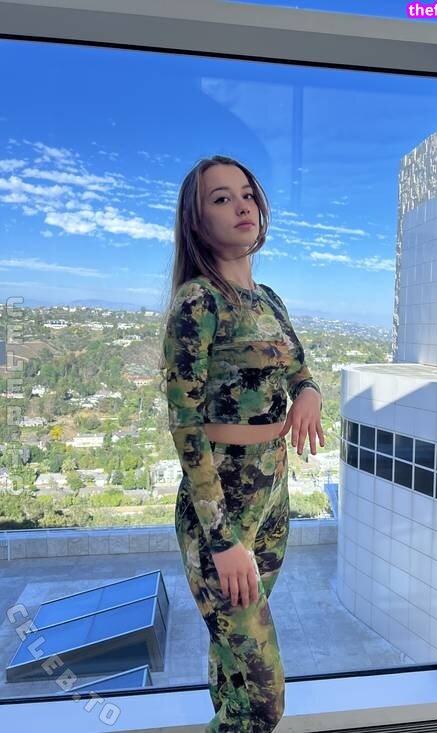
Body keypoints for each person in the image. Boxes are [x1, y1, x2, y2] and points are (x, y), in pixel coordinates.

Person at [160, 154, 324, 732]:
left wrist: (309, 395)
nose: (241, 206)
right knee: (263, 700)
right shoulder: (198, 301)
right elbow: (185, 424)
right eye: (221, 198)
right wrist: (223, 540)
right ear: (197, 219)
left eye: (247, 194)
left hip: (273, 498)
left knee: (233, 673)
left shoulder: (269, 300)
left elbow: (301, 371)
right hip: (222, 509)